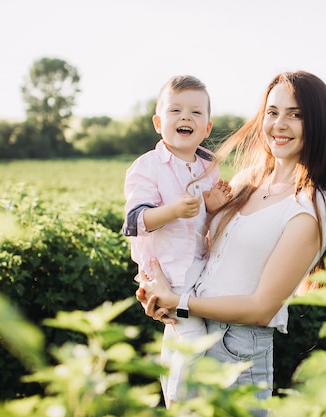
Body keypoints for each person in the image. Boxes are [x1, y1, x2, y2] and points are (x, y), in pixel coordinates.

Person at [137, 71, 326, 416]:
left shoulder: (311, 204)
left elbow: (261, 307)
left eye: (296, 115)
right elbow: (197, 249)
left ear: (318, 124)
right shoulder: (246, 181)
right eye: (272, 112)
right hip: (187, 331)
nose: (280, 124)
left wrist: (180, 301)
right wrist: (160, 294)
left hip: (235, 348)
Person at [122, 74, 231, 408]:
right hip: (166, 272)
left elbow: (206, 222)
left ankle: (178, 398)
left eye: (196, 113)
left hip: (199, 269)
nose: (186, 117)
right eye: (176, 111)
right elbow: (134, 220)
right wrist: (171, 211)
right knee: (193, 338)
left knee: (184, 338)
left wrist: (212, 206)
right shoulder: (148, 167)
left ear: (207, 128)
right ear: (158, 122)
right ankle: (182, 408)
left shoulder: (207, 165)